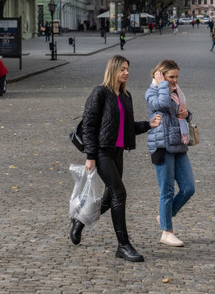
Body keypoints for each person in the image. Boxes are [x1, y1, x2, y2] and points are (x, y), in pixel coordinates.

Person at [69, 55, 161, 262]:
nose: (126, 72)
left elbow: (127, 128)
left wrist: (148, 125)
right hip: (102, 152)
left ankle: (80, 222)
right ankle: (123, 245)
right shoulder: (100, 93)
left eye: (128, 69)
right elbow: (89, 127)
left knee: (110, 197)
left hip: (117, 152)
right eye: (122, 69)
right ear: (113, 70)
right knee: (119, 193)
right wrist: (90, 157)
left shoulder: (125, 96)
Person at [146, 60, 195, 248]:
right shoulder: (152, 92)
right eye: (171, 77)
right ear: (161, 75)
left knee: (189, 188)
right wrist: (162, 85)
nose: (175, 81)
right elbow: (162, 105)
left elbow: (181, 113)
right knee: (166, 190)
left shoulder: (176, 92)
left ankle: (164, 215)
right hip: (162, 145)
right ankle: (167, 232)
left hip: (179, 143)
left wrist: (186, 114)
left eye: (176, 77)